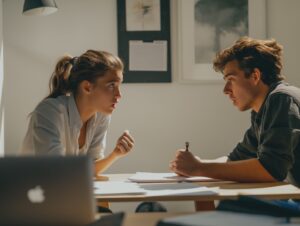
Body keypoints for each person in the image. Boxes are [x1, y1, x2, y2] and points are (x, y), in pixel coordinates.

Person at [170, 37, 300, 187]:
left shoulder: (282, 99)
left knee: (229, 207)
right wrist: (195, 164)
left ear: (255, 76)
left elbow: (271, 169)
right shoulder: (263, 109)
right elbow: (236, 159)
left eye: (231, 79)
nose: (225, 90)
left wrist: (199, 168)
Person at [21, 50, 134, 175]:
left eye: (119, 85)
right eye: (112, 85)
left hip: (61, 189)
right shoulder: (50, 112)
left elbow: (90, 168)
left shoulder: (102, 115)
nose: (119, 95)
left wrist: (115, 154)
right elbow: (54, 170)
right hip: (29, 191)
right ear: (87, 87)